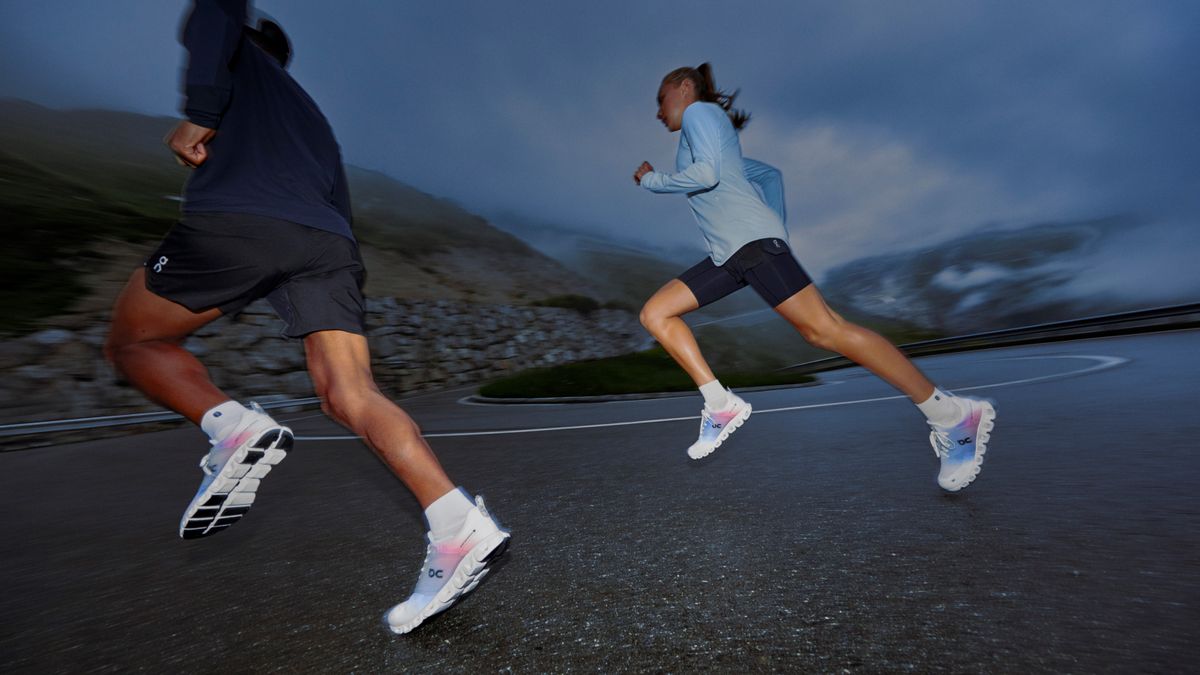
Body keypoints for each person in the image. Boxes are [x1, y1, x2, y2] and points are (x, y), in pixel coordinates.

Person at [102, 0, 508, 634]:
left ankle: (231, 427)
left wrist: (200, 114)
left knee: (133, 341)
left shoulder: (230, 43)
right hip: (328, 247)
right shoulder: (313, 117)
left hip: (240, 223)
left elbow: (215, 8)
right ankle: (458, 526)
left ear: (244, 40)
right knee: (351, 394)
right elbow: (336, 206)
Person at [632, 63, 996, 491]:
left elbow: (707, 175)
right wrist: (775, 228)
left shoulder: (699, 114)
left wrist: (652, 180)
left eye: (660, 98)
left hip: (748, 246)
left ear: (684, 87)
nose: (658, 112)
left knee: (825, 332)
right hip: (730, 254)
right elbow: (768, 176)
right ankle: (719, 403)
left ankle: (952, 414)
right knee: (657, 313)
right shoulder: (712, 134)